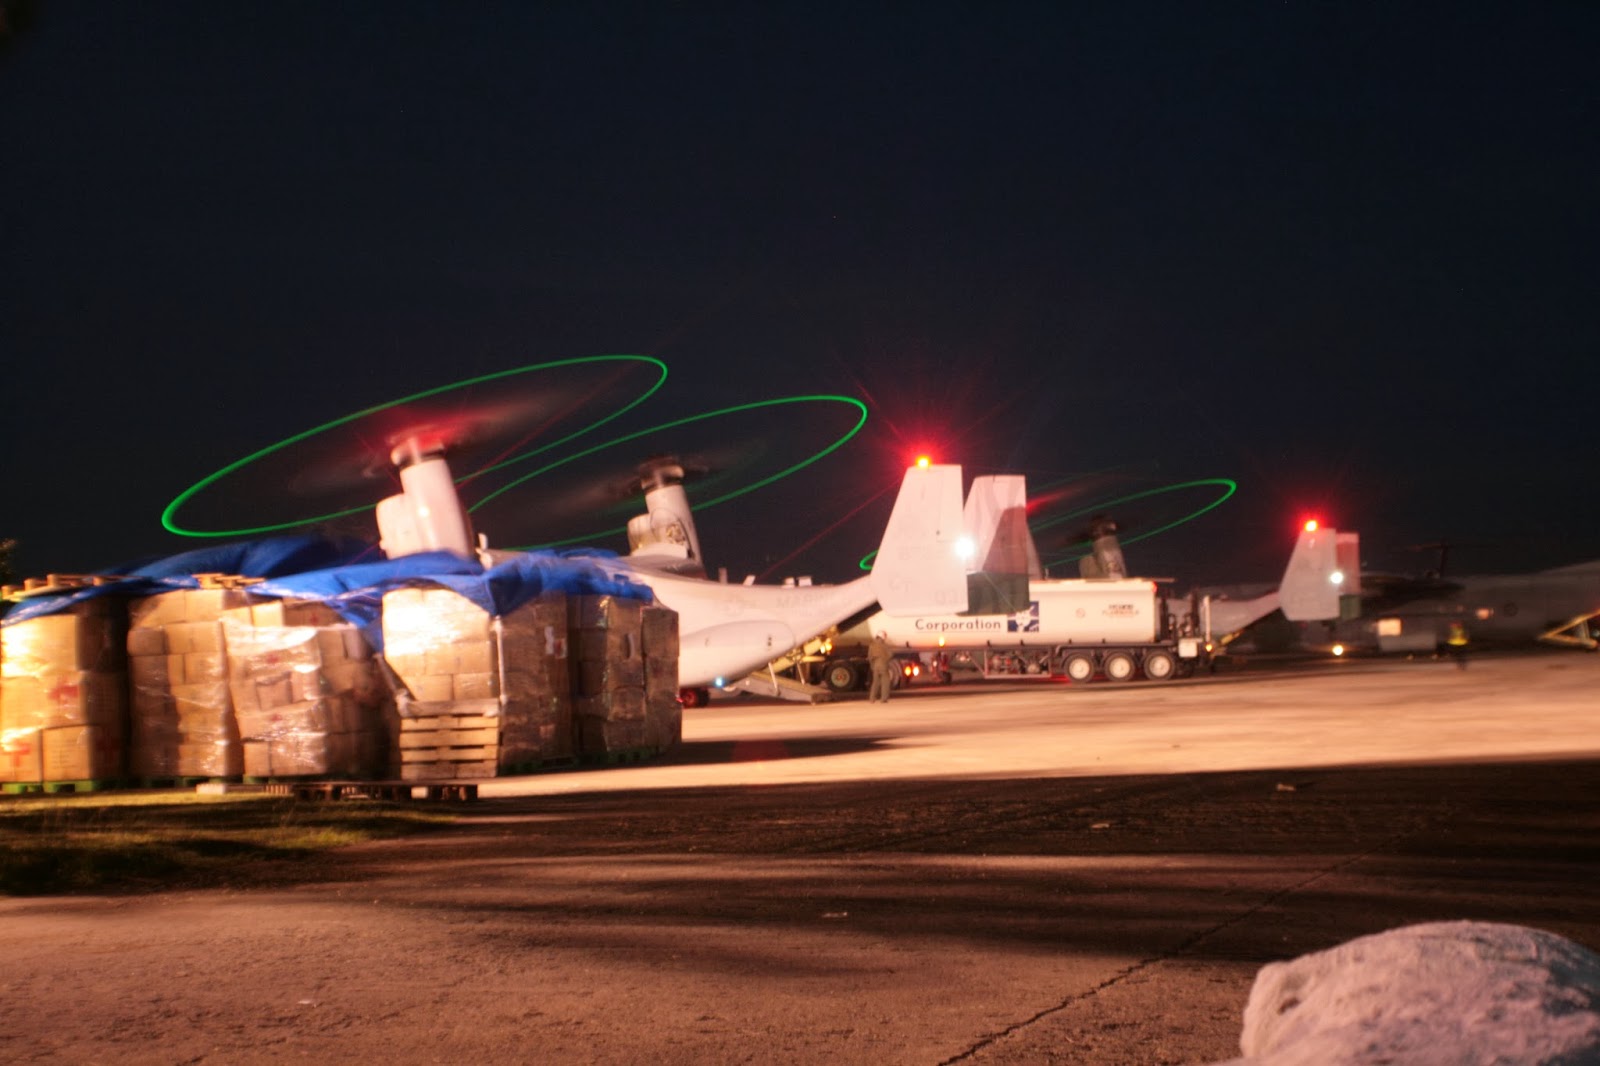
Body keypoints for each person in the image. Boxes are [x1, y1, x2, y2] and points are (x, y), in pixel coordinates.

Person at [867, 631, 895, 703]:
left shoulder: (872, 645)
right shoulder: (884, 645)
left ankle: (872, 699)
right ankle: (883, 699)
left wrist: (872, 665)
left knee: (875, 682)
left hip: (875, 665)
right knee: (885, 681)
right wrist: (885, 660)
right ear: (882, 637)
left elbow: (869, 657)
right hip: (883, 664)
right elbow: (890, 654)